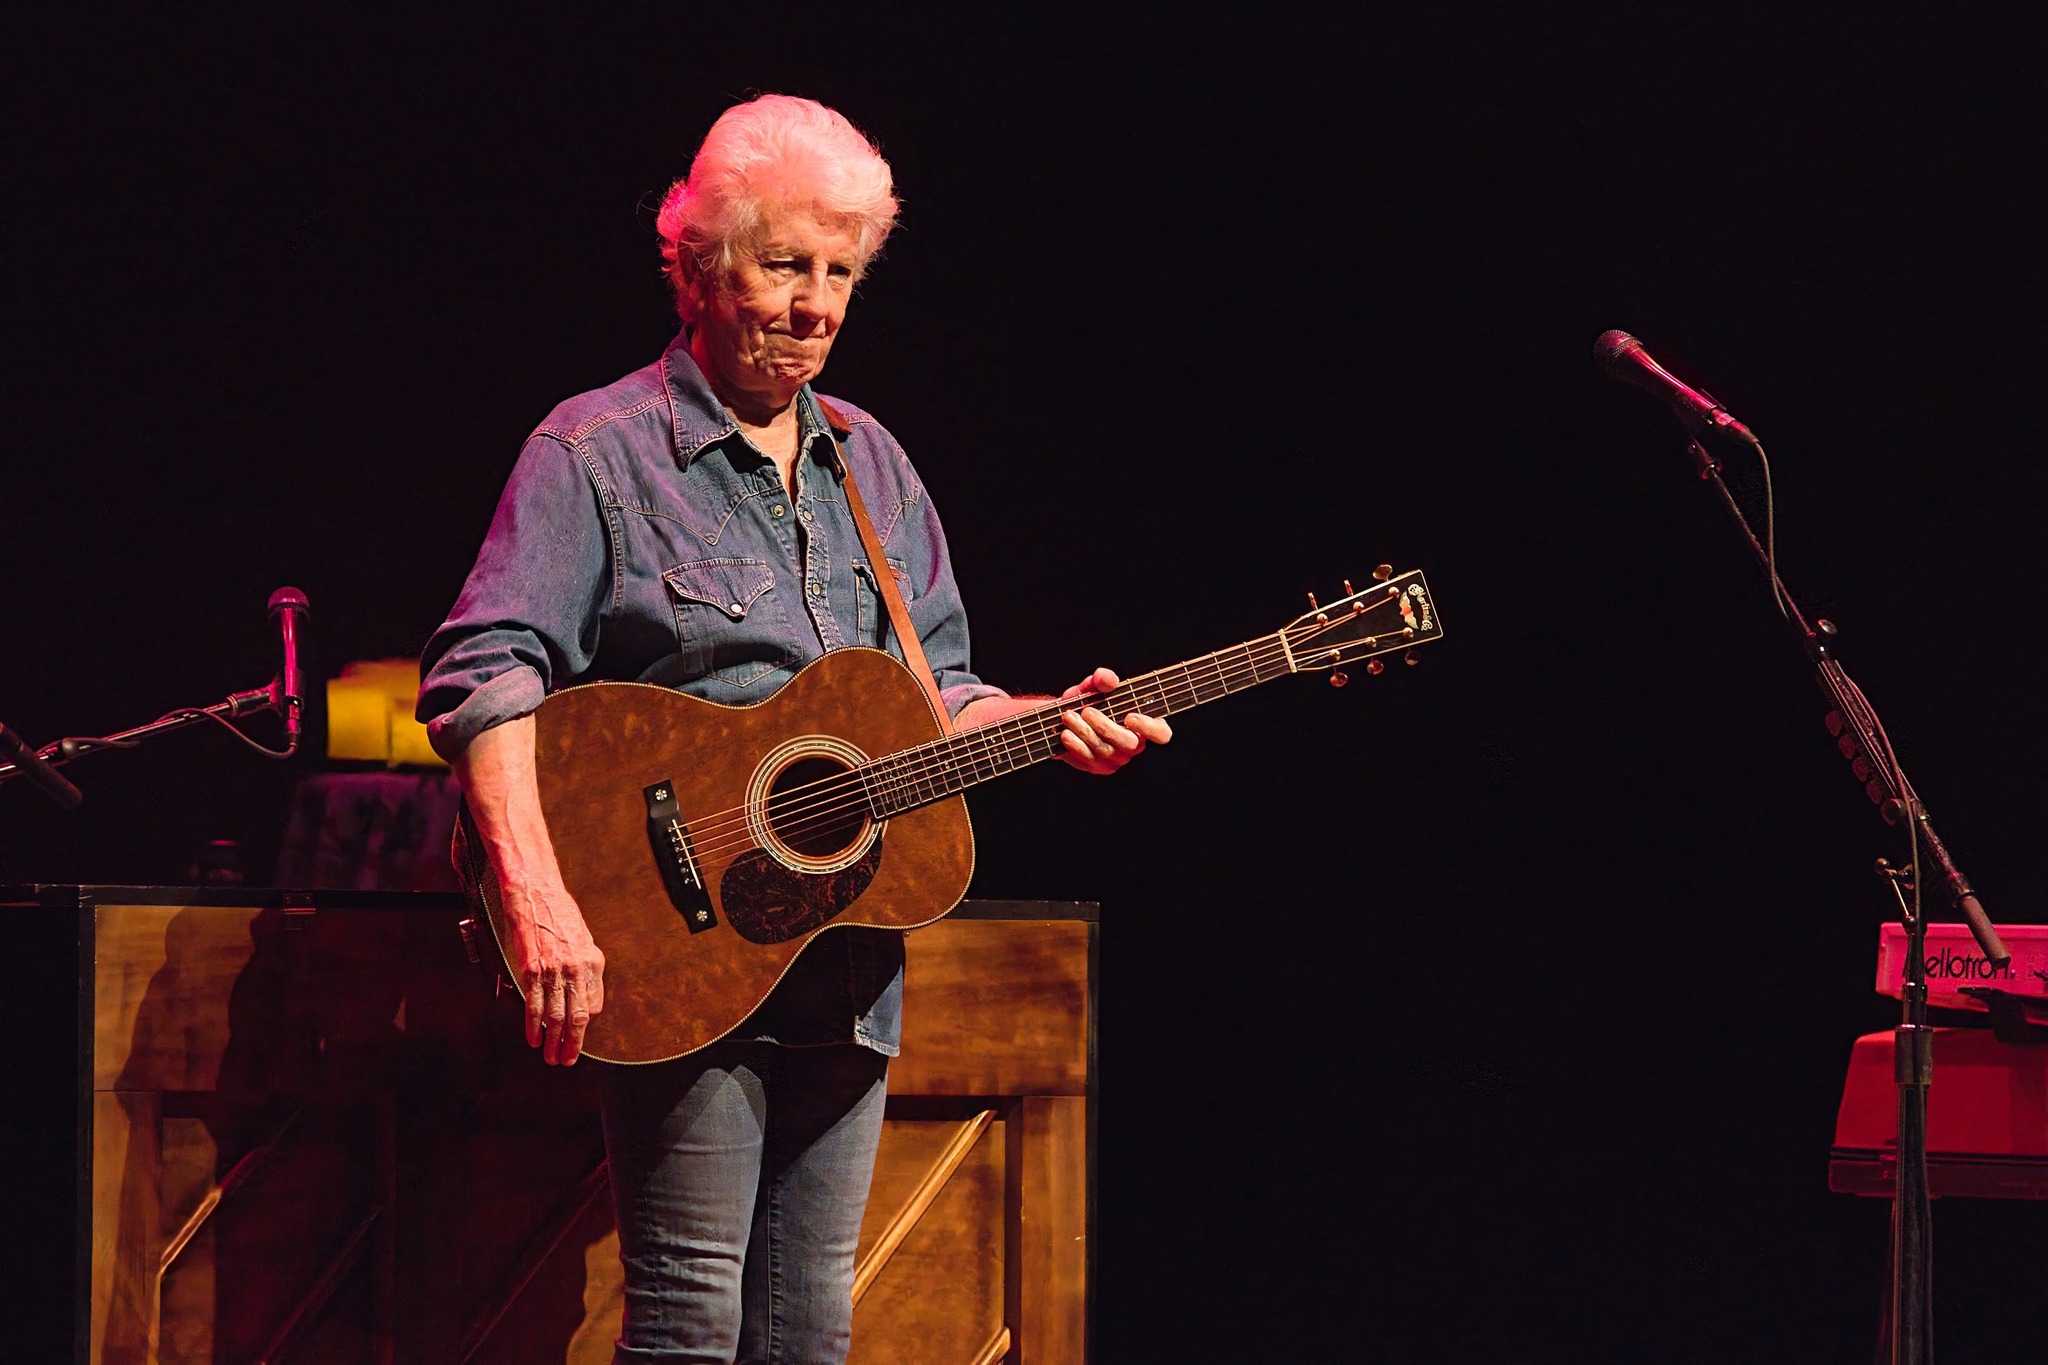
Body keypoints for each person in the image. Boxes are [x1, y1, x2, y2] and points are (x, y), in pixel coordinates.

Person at [417, 93, 1169, 1364]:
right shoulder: (598, 452)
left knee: (809, 1328)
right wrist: (538, 897)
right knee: (691, 1320)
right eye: (783, 266)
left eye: (839, 272)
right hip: (678, 937)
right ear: (703, 266)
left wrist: (1043, 724)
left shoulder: (873, 465)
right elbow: (484, 671)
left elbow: (933, 694)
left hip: (844, 951)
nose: (815, 303)